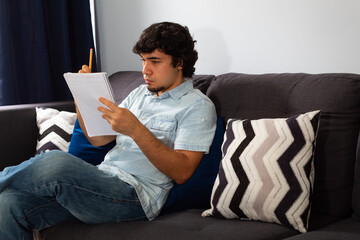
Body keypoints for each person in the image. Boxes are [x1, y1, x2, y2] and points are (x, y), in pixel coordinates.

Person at [0, 21, 216, 240]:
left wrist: (135, 129)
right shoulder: (140, 94)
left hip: (135, 198)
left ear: (179, 62)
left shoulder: (197, 106)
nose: (145, 70)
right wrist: (81, 95)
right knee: (8, 204)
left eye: (154, 61)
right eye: (143, 60)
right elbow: (100, 139)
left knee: (56, 161)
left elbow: (182, 172)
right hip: (104, 182)